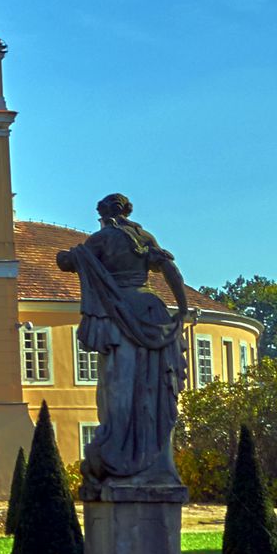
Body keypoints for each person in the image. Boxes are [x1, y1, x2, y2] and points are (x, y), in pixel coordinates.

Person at [56, 193, 189, 491]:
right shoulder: (146, 237)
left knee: (118, 388)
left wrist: (70, 256)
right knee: (154, 389)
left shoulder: (102, 239)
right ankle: (153, 457)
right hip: (153, 310)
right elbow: (171, 272)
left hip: (119, 313)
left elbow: (68, 262)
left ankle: (120, 454)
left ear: (102, 215)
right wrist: (181, 308)